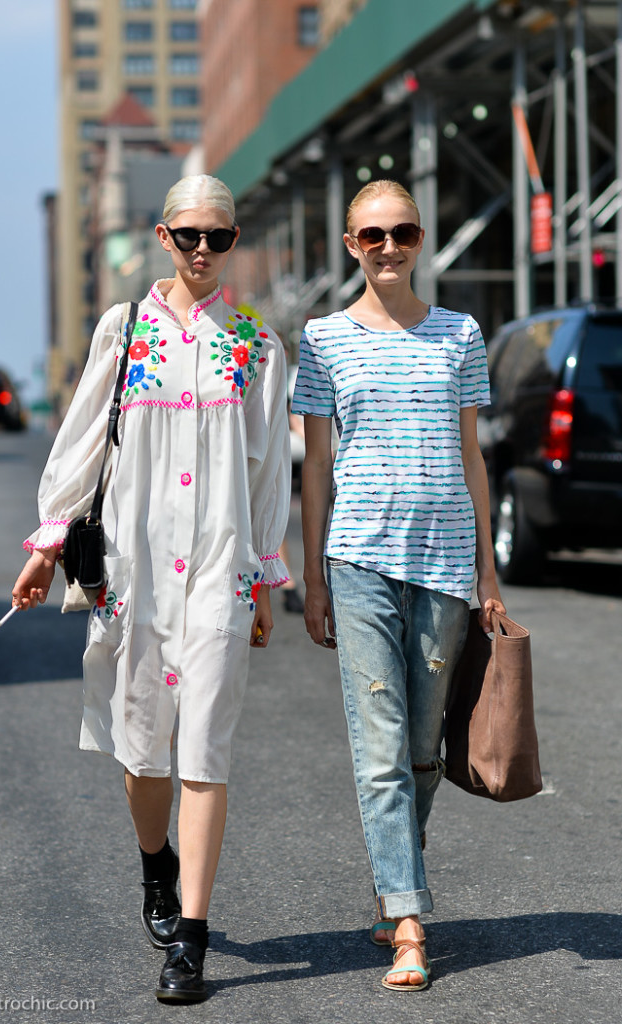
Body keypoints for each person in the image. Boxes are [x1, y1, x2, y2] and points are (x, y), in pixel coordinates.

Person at [12, 175, 291, 1003]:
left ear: (234, 242)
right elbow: (83, 439)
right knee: (142, 749)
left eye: (220, 237)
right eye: (188, 235)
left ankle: (191, 943)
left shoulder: (254, 341)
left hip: (218, 566)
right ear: (163, 237)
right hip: (134, 566)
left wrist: (265, 571)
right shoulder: (123, 328)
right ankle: (154, 863)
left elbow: (266, 464)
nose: (203, 249)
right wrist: (49, 538)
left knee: (204, 744)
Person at [291, 179, 505, 993]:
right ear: (349, 244)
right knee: (379, 746)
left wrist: (487, 570)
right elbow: (315, 464)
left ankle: (392, 893)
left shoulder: (459, 333)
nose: (387, 246)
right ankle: (409, 920)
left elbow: (471, 455)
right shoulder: (322, 338)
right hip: (358, 561)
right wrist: (310, 575)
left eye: (402, 232)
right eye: (371, 234)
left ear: (420, 240)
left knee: (420, 749)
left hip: (448, 562)